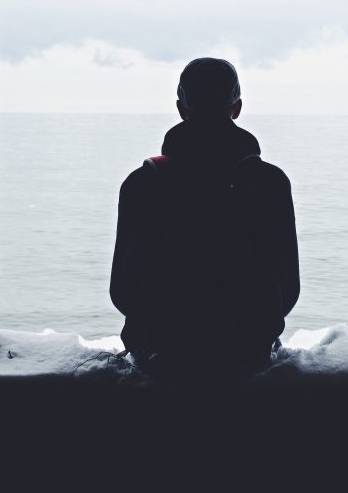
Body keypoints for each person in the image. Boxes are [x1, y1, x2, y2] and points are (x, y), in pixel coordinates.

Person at [110, 57, 300, 383]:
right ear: (237, 107)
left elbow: (121, 291)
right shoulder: (270, 183)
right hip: (245, 354)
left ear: (181, 108)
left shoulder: (142, 183)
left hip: (160, 353)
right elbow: (288, 289)